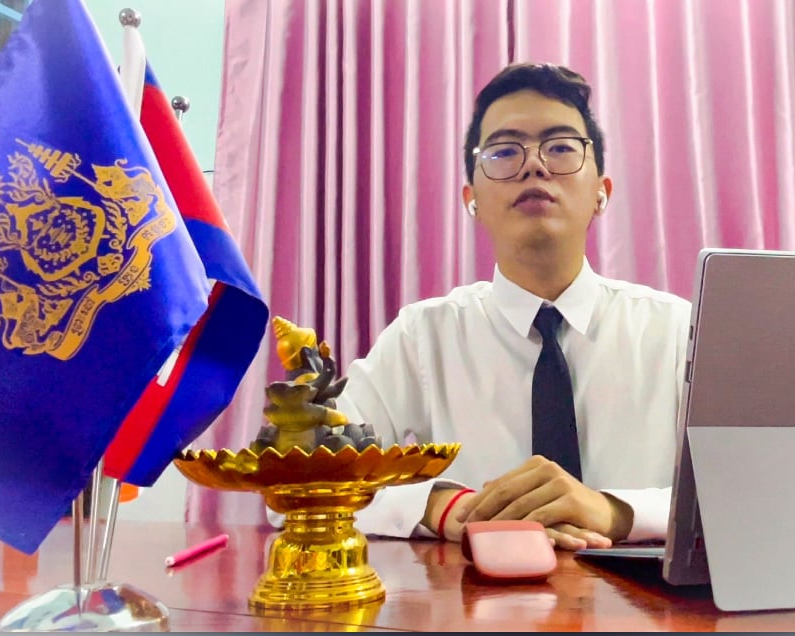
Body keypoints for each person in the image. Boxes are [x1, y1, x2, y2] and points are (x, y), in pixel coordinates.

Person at [273, 62, 691, 551]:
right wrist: (439, 506)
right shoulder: (423, 337)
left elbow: (744, 491)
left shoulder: (679, 332)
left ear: (602, 191)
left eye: (560, 147)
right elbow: (295, 476)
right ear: (471, 199)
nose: (534, 166)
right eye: (504, 151)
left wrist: (616, 511)